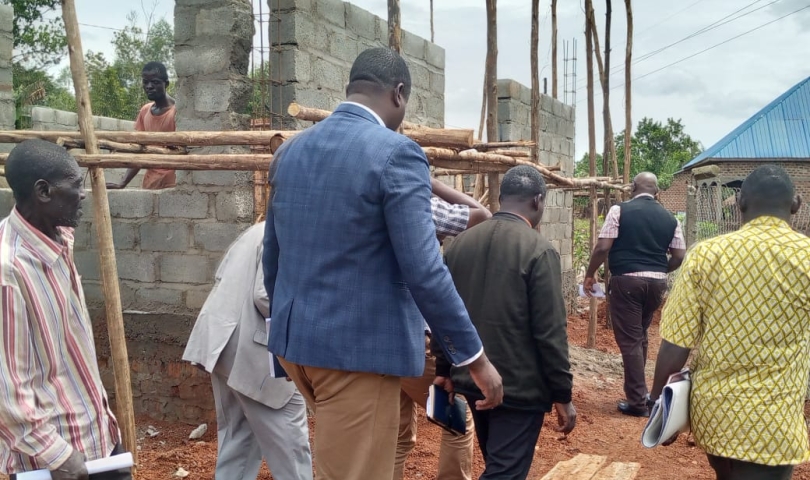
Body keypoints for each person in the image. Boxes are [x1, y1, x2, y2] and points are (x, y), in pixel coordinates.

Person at [262, 47, 503, 480]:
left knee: (357, 459)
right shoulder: (396, 154)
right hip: (357, 354)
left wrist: (284, 341)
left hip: (299, 347)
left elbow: (273, 255)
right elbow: (425, 270)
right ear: (398, 94)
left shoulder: (291, 152)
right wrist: (475, 359)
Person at [651, 165, 810, 480]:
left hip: (715, 417)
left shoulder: (706, 256)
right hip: (774, 422)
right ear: (795, 205)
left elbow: (675, 344)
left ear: (740, 203)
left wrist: (660, 405)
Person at [434, 165, 576, 480]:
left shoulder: (458, 246)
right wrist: (562, 395)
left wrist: (444, 369)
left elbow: (445, 314)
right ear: (538, 201)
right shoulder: (539, 251)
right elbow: (550, 333)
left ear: (500, 198)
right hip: (519, 388)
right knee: (505, 472)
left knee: (498, 464)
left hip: (471, 378)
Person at [0, 139, 130, 480]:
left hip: (98, 434)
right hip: (54, 458)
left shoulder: (60, 238)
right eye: (76, 186)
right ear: (44, 191)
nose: (83, 194)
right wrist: (55, 454)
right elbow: (6, 387)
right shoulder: (8, 271)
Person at [182, 222, 312, 480]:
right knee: (291, 441)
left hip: (221, 346)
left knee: (239, 438)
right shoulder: (291, 229)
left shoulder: (259, 229)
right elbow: (266, 296)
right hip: (253, 352)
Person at [394, 178, 491, 480]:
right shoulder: (418, 207)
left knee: (396, 435)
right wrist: (429, 181)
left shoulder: (364, 206)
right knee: (458, 424)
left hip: (380, 341)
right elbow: (482, 215)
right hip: (417, 342)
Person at [583, 172, 686, 417]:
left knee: (629, 341)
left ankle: (638, 402)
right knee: (640, 335)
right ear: (657, 192)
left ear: (632, 188)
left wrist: (590, 273)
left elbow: (603, 246)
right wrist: (660, 269)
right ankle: (644, 396)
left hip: (626, 281)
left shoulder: (619, 210)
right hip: (657, 284)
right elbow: (680, 255)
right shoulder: (670, 218)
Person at [107, 61, 176, 190]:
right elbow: (140, 150)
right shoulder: (145, 111)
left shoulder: (176, 113)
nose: (149, 86)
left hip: (172, 186)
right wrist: (123, 183)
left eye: (155, 82)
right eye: (145, 82)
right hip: (150, 184)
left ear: (166, 84)